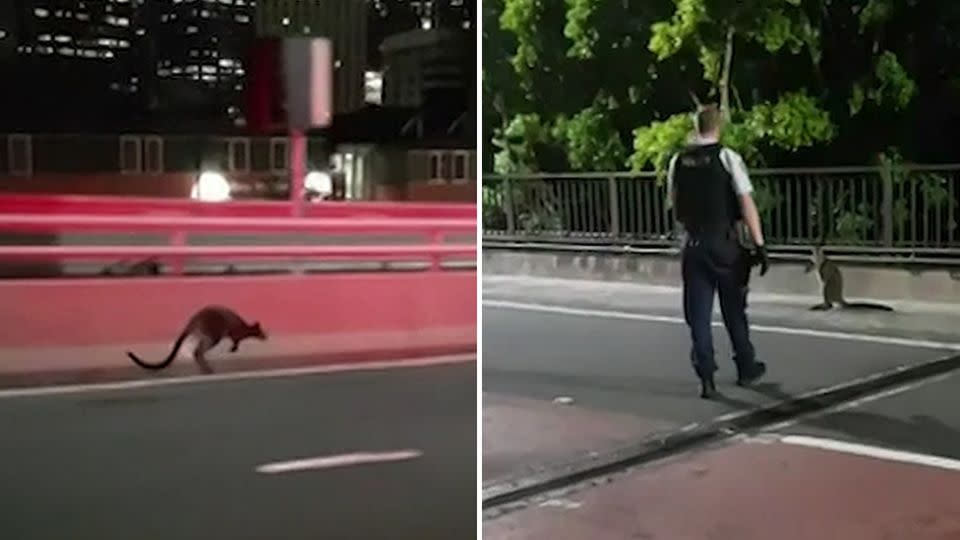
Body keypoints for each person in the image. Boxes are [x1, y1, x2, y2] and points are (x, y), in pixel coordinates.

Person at [666, 104, 770, 399]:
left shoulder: (678, 161)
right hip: (724, 243)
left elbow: (673, 204)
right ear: (718, 126)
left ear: (695, 126)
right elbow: (746, 201)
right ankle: (746, 366)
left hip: (693, 244)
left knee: (697, 314)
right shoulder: (727, 157)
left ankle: (707, 376)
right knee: (734, 308)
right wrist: (759, 244)